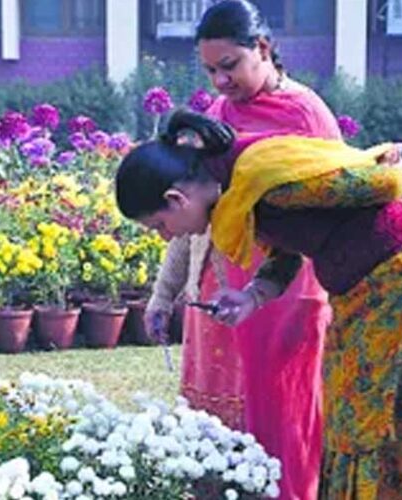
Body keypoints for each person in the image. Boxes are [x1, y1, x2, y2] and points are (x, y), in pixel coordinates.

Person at [118, 110, 402, 499]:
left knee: (375, 415)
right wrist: (252, 297)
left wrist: (372, 163)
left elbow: (384, 183)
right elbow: (289, 248)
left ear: (176, 198)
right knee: (349, 413)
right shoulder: (235, 190)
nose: (167, 235)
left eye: (160, 225)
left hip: (397, 283)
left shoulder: (260, 180)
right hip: (362, 286)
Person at [144, 2, 339, 497]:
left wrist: (261, 290)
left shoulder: (306, 114)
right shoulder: (218, 115)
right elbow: (190, 212)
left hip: (286, 292)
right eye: (210, 70)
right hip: (218, 293)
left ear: (264, 49)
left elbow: (329, 216)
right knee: (214, 429)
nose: (219, 82)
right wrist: (163, 295)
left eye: (228, 66)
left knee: (279, 422)